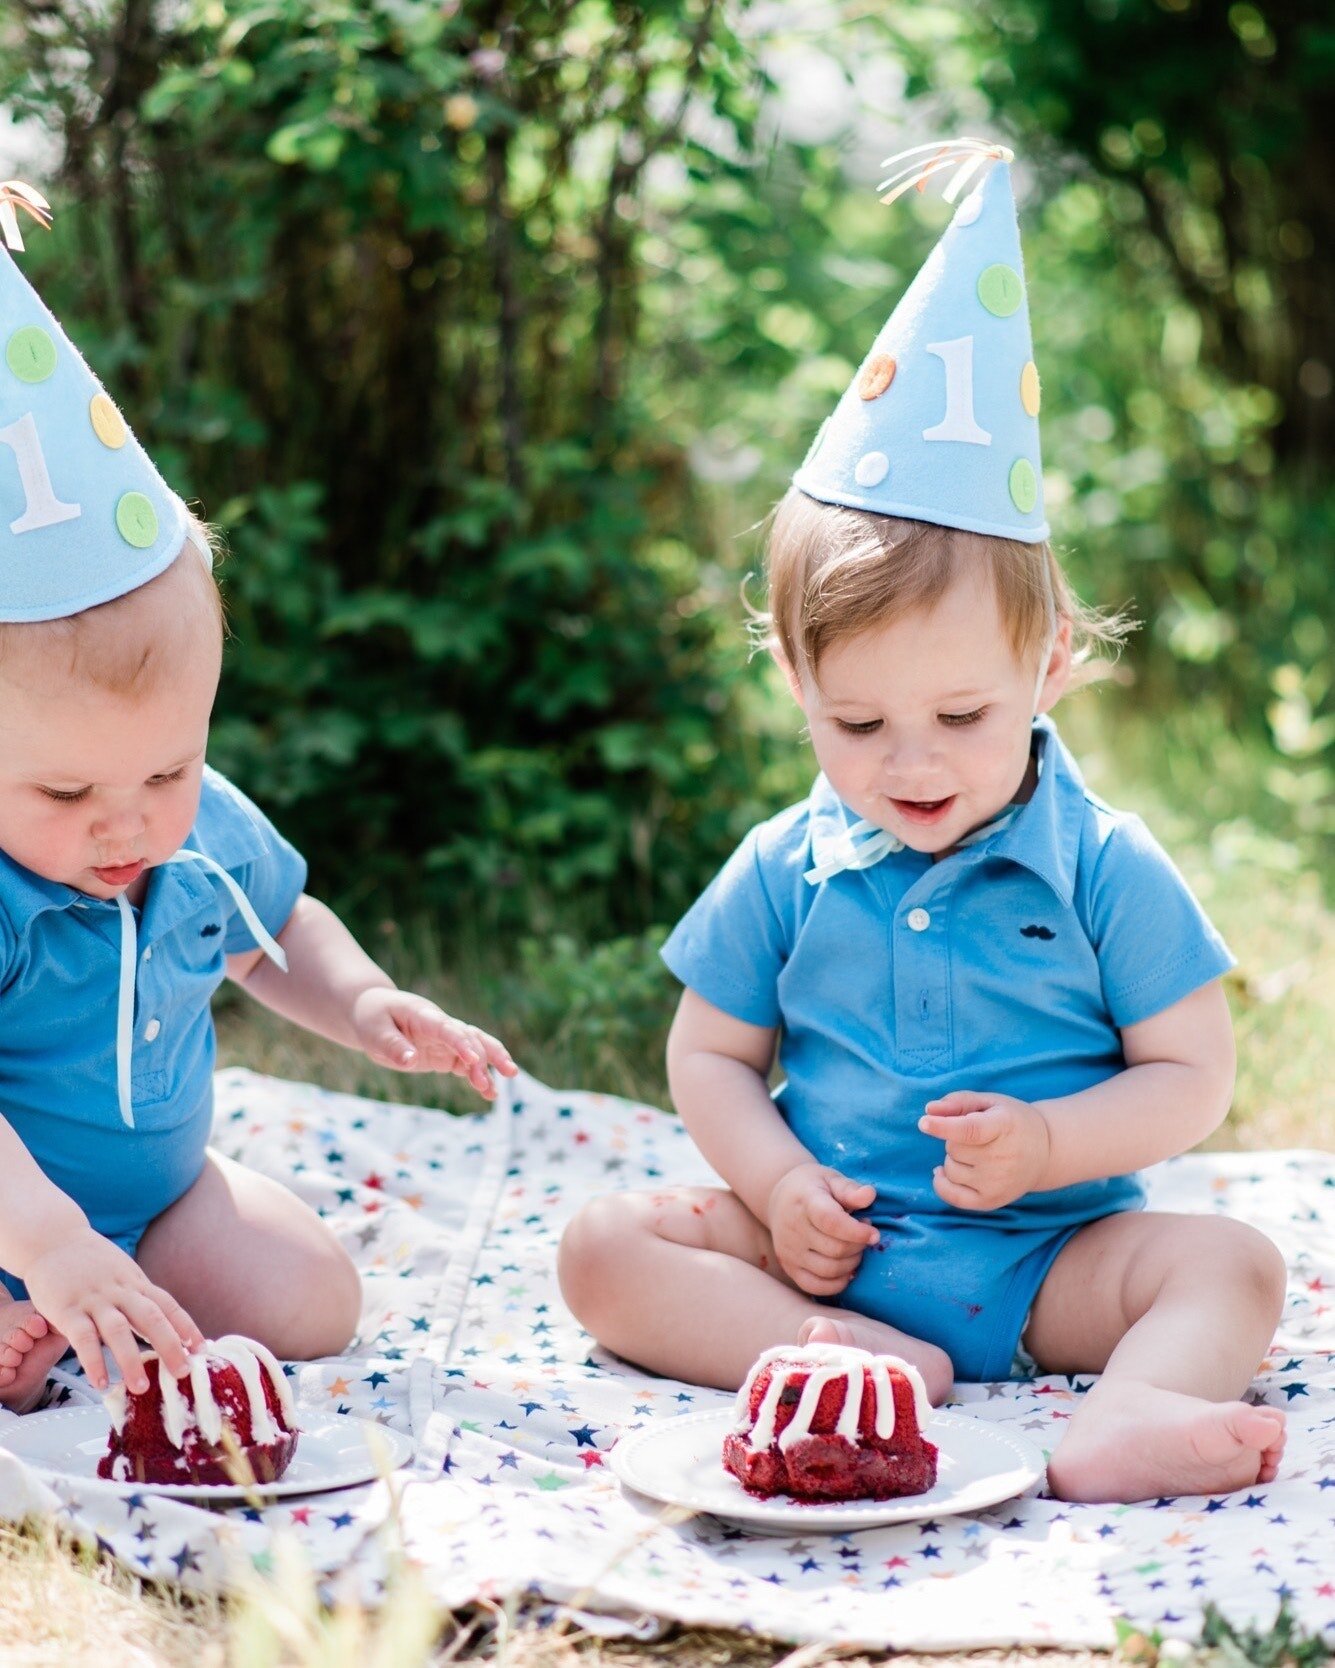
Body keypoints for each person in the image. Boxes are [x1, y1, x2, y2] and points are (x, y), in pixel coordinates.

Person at [557, 141, 1287, 1504]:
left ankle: (1120, 1417)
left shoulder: (1101, 867)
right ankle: (858, 1367)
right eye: (854, 724)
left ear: (1049, 664)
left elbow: (1190, 1073)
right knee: (599, 1245)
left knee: (1228, 1265)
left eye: (959, 718)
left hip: (1045, 1259)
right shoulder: (783, 865)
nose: (909, 764)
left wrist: (1051, 1147)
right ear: (793, 683)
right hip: (826, 1256)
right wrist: (775, 1188)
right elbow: (709, 1053)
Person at [0, 186, 516, 1415]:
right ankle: (36, 1305)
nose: (126, 823)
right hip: (14, 1209)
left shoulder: (194, 834)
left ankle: (103, 1288)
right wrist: (49, 1243)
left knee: (312, 1302)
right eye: (67, 790)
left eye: (167, 771)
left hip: (158, 1193)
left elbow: (278, 931)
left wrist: (366, 1000)